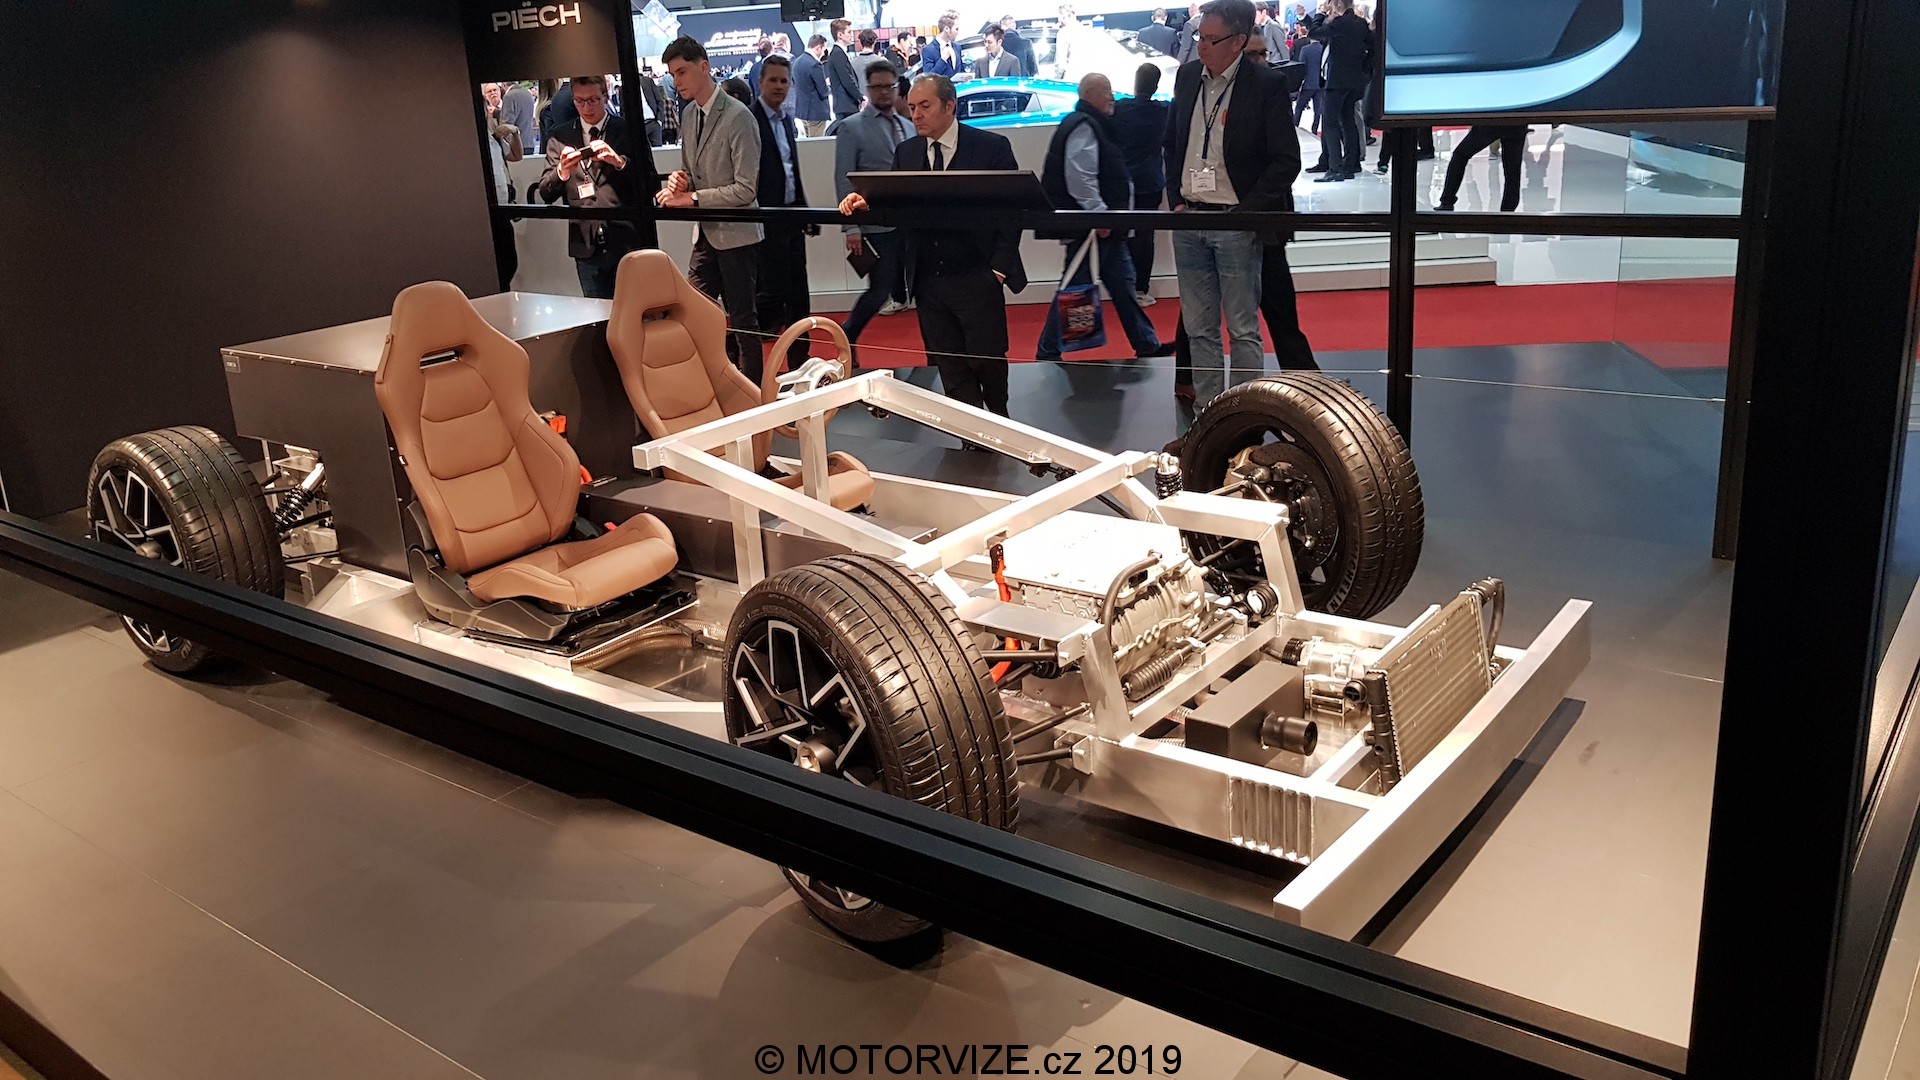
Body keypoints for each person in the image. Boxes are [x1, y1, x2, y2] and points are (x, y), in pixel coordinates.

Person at [838, 75, 1027, 417]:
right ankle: (970, 433)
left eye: (925, 106)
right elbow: (896, 203)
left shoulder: (991, 147)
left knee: (988, 361)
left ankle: (1000, 423)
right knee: (948, 364)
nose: (916, 115)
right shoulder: (907, 152)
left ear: (950, 106)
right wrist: (866, 201)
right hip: (928, 280)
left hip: (978, 274)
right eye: (911, 107)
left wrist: (998, 270)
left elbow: (1013, 212)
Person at [1163, 0, 1302, 404]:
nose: (1201, 46)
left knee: (1243, 329)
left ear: (1238, 41)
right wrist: (1175, 200)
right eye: (1199, 37)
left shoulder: (1265, 85)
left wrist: (1246, 212)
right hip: (1189, 219)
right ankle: (1209, 416)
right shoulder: (1188, 76)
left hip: (1235, 222)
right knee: (1198, 329)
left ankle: (1243, 417)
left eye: (1211, 39)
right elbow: (1171, 143)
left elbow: (1286, 160)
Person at [1036, 75, 1171, 363]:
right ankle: (1047, 349)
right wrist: (1100, 215)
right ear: (1091, 95)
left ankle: (1146, 342)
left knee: (1122, 284)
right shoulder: (1085, 125)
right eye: (1107, 92)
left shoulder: (1088, 123)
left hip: (1103, 225)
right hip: (1093, 226)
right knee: (1077, 284)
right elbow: (1080, 178)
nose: (1112, 98)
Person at [655, 36, 767, 380]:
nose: (677, 81)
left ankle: (755, 394)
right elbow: (691, 172)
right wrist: (680, 181)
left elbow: (746, 189)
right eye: (673, 74)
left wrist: (692, 198)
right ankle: (717, 379)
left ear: (704, 67)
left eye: (681, 72)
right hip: (705, 233)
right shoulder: (689, 114)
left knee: (743, 319)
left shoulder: (739, 116)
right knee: (692, 311)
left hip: (737, 235)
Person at [537, 75, 649, 299]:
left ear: (605, 96)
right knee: (596, 313)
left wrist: (619, 163)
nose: (586, 107)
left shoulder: (627, 130)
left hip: (626, 241)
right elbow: (546, 192)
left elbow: (650, 182)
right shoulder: (560, 136)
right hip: (585, 245)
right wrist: (562, 171)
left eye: (593, 100)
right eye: (579, 101)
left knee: (634, 308)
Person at [835, 59, 918, 354]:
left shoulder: (908, 126)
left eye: (889, 86)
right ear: (867, 89)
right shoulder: (851, 127)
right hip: (873, 225)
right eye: (877, 87)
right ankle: (848, 334)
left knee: (913, 287)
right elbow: (843, 178)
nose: (883, 92)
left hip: (909, 223)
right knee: (880, 289)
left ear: (897, 88)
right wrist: (851, 228)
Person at [750, 56, 816, 373]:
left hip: (792, 221)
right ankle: (749, 367)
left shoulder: (787, 120)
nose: (779, 86)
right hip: (765, 224)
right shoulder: (749, 121)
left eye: (784, 80)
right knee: (769, 299)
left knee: (799, 297)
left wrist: (804, 207)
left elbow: (791, 170)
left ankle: (800, 365)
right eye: (773, 80)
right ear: (760, 82)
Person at [1112, 63, 1170, 306]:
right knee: (1145, 238)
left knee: (1121, 236)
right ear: (1156, 86)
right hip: (1149, 182)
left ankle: (1123, 286)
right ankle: (1140, 288)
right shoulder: (1163, 111)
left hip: (1123, 182)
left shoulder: (1120, 108)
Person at [1306, 0, 1371, 182]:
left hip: (1337, 81)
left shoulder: (1339, 23)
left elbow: (1314, 32)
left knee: (1330, 123)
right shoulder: (1360, 24)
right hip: (1353, 81)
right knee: (1348, 121)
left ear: (1339, 3)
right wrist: (1364, 69)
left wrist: (1320, 14)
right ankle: (1350, 164)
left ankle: (1335, 168)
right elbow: (1373, 46)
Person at [482, 85, 524, 292]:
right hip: (487, 212)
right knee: (498, 266)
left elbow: (516, 156)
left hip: (503, 209)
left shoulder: (493, 137)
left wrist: (514, 133)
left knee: (509, 262)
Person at [1435, 126, 1529, 211]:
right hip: (1517, 123)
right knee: (1513, 171)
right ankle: (1508, 212)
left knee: (1460, 155)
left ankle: (1447, 201)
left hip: (1491, 123)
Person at [794, 36, 833, 136]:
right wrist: (829, 86)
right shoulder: (815, 65)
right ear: (818, 48)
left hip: (803, 112)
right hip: (816, 113)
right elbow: (823, 91)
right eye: (824, 50)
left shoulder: (797, 62)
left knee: (809, 143)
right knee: (817, 144)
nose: (824, 53)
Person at [827, 19, 864, 122]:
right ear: (840, 35)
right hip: (846, 106)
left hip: (846, 106)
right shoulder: (838, 54)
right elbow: (847, 80)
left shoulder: (839, 53)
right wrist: (861, 97)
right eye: (849, 32)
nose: (851, 35)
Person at [1292, 31, 1323, 133]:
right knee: (1317, 110)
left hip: (1307, 83)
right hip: (1320, 84)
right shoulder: (1322, 49)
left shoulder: (1305, 49)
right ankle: (1314, 129)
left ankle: (1295, 126)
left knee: (1299, 107)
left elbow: (1301, 67)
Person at [500, 81, 538, 152]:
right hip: (529, 142)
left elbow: (507, 124)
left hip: (516, 146)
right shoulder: (527, 94)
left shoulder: (509, 96)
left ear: (504, 85)